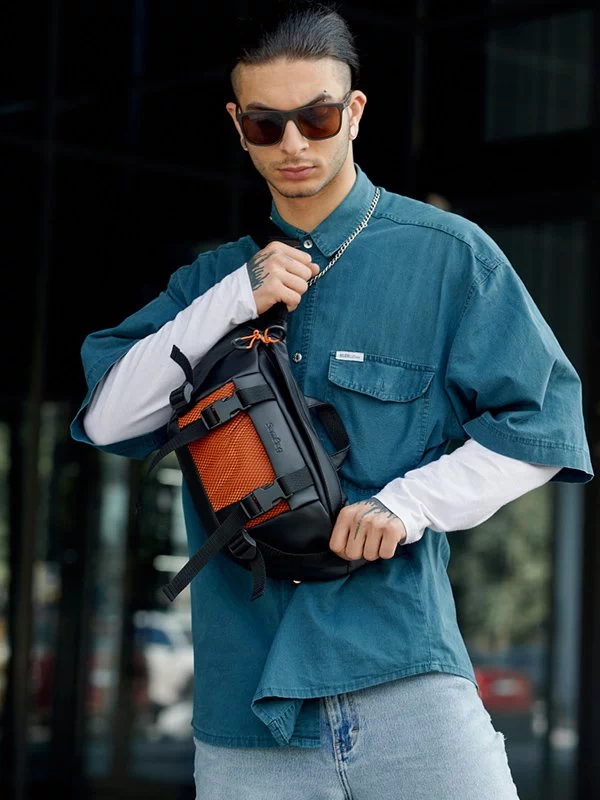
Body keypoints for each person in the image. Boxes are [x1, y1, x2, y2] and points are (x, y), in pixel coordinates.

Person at [70, 2, 594, 798]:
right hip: (247, 704)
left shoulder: (449, 258)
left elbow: (545, 427)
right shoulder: (209, 282)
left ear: (353, 112)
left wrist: (407, 505)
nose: (293, 144)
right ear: (238, 126)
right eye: (265, 124)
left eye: (315, 118)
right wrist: (233, 300)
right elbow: (109, 415)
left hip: (404, 673)